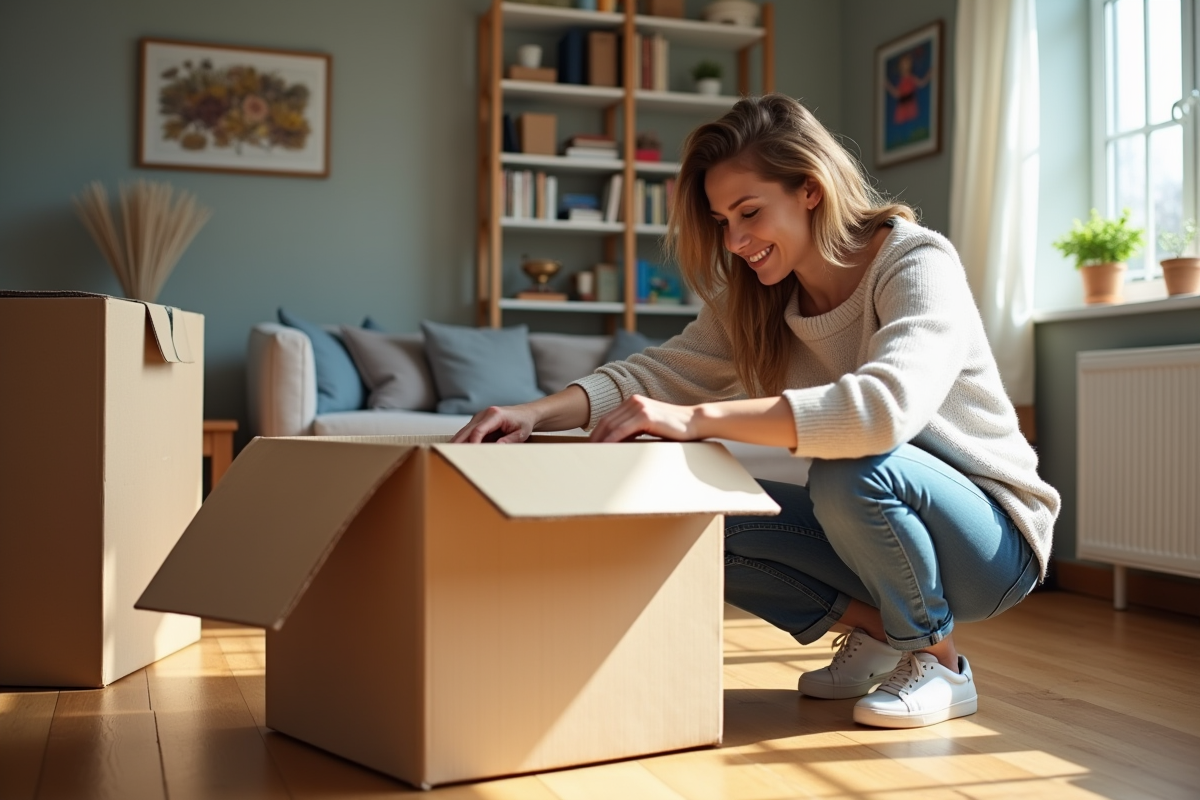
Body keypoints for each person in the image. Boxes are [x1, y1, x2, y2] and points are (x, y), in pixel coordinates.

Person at [452, 94, 1060, 730]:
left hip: (992, 541)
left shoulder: (914, 262)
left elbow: (881, 412)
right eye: (721, 221)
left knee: (850, 468)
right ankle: (886, 630)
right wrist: (535, 411)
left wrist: (700, 421)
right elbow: (655, 373)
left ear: (810, 190)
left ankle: (940, 663)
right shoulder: (757, 297)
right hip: (882, 521)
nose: (736, 241)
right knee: (694, 520)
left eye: (749, 213)